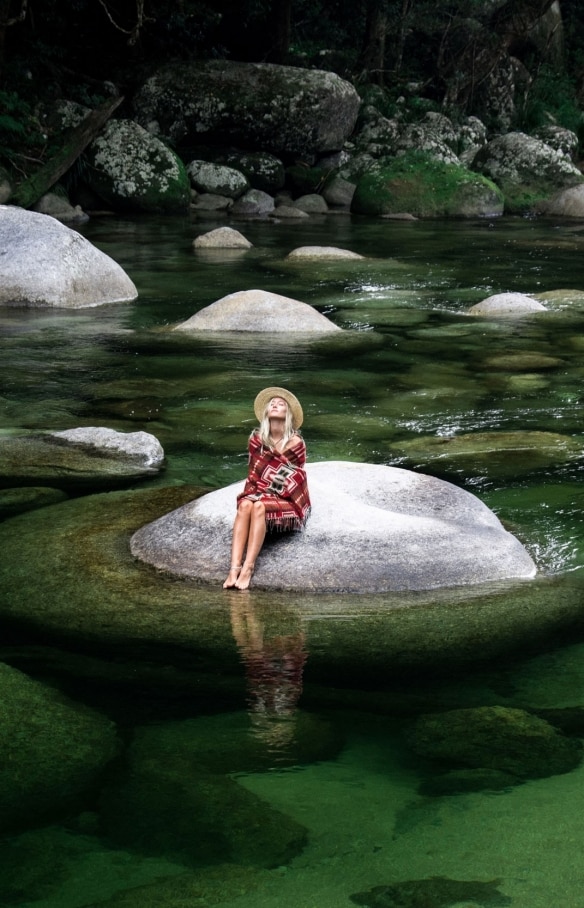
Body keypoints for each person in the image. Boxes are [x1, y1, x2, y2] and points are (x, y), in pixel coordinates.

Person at [223, 386, 311, 590]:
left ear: (287, 414)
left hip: (284, 496)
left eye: (281, 404)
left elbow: (296, 477)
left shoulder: (296, 443)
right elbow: (253, 475)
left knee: (259, 506)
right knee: (245, 505)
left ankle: (248, 567)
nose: (275, 405)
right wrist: (259, 492)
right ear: (266, 413)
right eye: (272, 403)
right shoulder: (257, 440)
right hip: (258, 490)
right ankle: (234, 568)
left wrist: (268, 491)